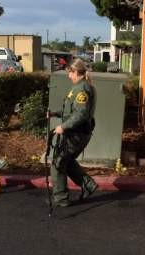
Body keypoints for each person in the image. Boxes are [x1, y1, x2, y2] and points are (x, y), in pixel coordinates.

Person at [48, 58, 98, 207]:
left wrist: (63, 127)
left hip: (76, 134)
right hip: (78, 133)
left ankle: (61, 198)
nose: (69, 76)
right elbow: (72, 111)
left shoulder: (82, 89)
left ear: (76, 72)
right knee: (66, 162)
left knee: (58, 163)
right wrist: (55, 114)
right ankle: (88, 185)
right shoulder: (80, 86)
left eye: (70, 73)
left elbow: (81, 114)